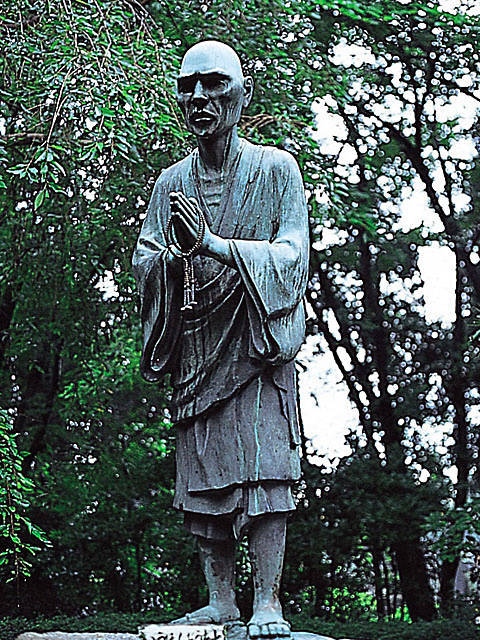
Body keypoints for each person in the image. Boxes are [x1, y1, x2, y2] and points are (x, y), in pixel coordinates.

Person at [132, 40, 309, 640]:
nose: (199, 98)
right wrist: (172, 261)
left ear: (243, 94)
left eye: (214, 84)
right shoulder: (169, 184)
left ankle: (268, 602)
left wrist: (214, 245)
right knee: (204, 470)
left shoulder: (278, 171)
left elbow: (293, 256)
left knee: (264, 469)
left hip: (256, 345)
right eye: (188, 87)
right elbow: (146, 262)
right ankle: (220, 600)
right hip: (198, 343)